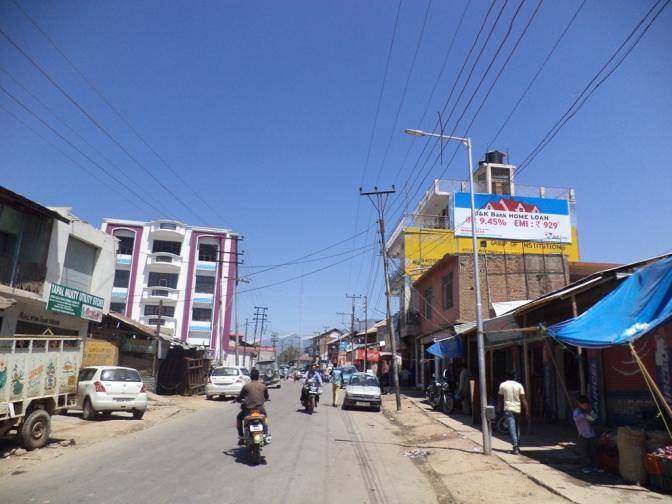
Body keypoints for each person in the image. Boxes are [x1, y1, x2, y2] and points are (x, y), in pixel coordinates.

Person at [236, 368, 271, 445]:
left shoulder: (246, 386)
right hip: (260, 409)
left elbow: (240, 396)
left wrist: (237, 400)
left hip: (248, 410)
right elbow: (266, 397)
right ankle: (265, 433)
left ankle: (241, 436)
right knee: (265, 419)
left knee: (239, 418)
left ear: (250, 377)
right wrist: (266, 399)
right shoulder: (263, 386)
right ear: (258, 377)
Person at [498, 371, 527, 455]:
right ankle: (517, 445)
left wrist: (499, 408)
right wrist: (527, 410)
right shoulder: (519, 385)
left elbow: (500, 398)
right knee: (517, 428)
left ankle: (515, 447)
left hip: (508, 409)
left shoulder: (503, 385)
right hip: (517, 409)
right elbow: (523, 399)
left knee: (511, 428)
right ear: (514, 377)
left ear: (506, 377)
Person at [574, 395, 602, 474]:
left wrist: (592, 417)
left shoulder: (588, 411)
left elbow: (594, 419)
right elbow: (576, 418)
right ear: (580, 404)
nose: (586, 406)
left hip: (591, 434)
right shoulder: (577, 411)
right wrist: (585, 415)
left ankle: (595, 466)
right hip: (583, 434)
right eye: (584, 404)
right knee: (584, 452)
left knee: (593, 451)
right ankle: (585, 467)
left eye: (587, 404)